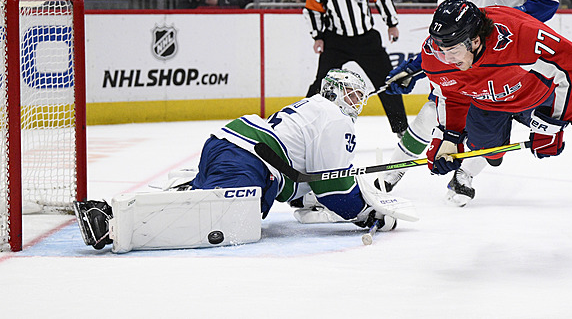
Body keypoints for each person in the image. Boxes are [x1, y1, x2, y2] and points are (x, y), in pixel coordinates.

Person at [74, 69, 399, 252]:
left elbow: (307, 179)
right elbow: (335, 191)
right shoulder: (336, 118)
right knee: (213, 222)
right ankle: (111, 224)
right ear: (336, 93)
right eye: (353, 95)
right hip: (249, 161)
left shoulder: (313, 106)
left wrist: (317, 198)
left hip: (232, 144)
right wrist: (370, 213)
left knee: (204, 201)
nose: (358, 103)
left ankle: (113, 211)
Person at [377, 0, 559, 193]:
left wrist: (506, 23)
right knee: (431, 114)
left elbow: (547, 0)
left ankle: (464, 175)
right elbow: (439, 45)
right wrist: (411, 69)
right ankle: (390, 175)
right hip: (468, 76)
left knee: (519, 126)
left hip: (510, 76)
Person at [386, 0, 572, 207]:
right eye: (441, 50)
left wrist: (553, 126)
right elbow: (451, 94)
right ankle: (488, 154)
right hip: (487, 103)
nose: (447, 59)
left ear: (475, 41)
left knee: (518, 144)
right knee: (491, 153)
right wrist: (449, 139)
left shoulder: (521, 37)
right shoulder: (436, 56)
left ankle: (468, 170)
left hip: (536, 98)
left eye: (453, 51)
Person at [303, 0, 408, 137]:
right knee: (321, 84)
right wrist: (318, 36)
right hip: (336, 40)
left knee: (387, 82)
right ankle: (303, 123)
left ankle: (401, 128)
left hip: (366, 39)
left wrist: (392, 23)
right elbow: (312, 9)